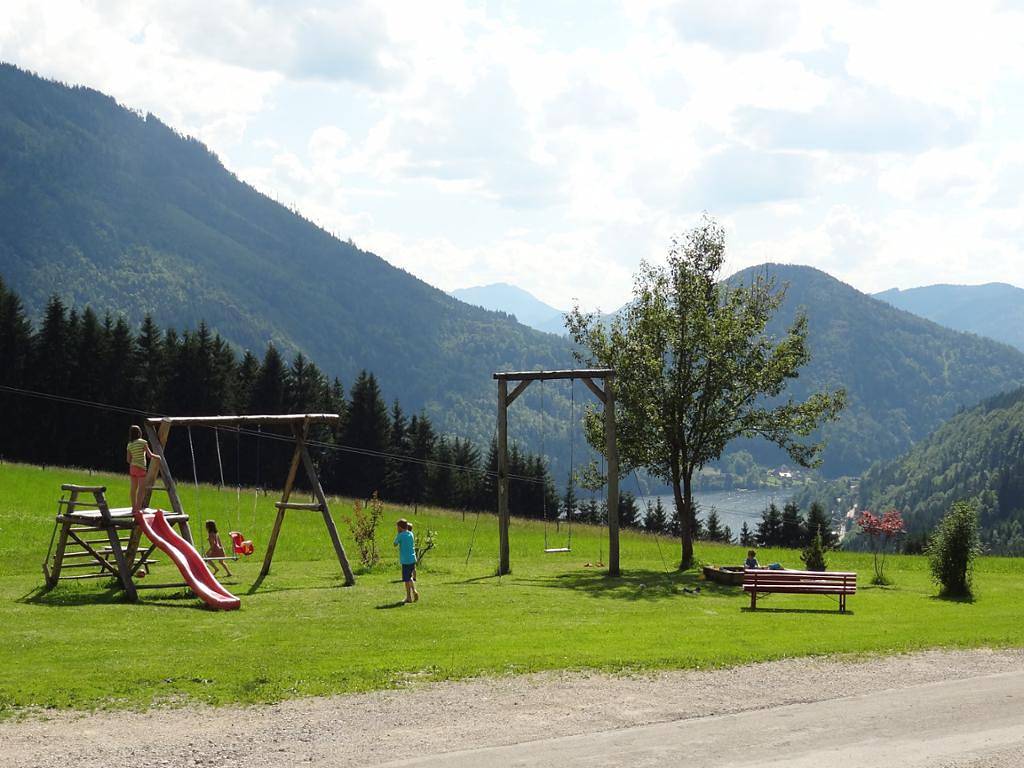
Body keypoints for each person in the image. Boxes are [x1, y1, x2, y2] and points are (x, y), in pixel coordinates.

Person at [126, 425, 156, 514]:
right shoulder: (143, 442)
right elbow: (149, 455)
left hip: (132, 468)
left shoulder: (129, 444)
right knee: (142, 489)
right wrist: (157, 456)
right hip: (141, 468)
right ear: (140, 433)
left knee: (133, 488)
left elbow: (128, 460)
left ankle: (133, 507)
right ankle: (138, 508)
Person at [393, 518, 419, 604]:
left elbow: (395, 544)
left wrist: (398, 535)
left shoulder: (400, 535)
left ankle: (408, 597)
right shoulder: (411, 534)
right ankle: (414, 591)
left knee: (406, 580)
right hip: (412, 559)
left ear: (400, 527)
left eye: (397, 527)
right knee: (410, 577)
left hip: (405, 560)